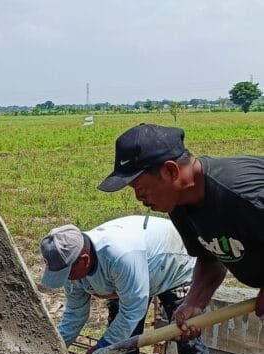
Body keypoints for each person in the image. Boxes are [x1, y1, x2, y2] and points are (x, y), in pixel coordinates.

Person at [39, 216, 218, 354]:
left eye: (67, 274)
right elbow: (75, 314)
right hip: (133, 277)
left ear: (85, 260)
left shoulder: (120, 255)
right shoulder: (73, 264)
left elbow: (133, 310)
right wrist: (53, 348)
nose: (67, 279)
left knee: (187, 337)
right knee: (122, 333)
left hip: (174, 264)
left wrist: (102, 347)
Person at [97, 123, 264, 335]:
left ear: (170, 170)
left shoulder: (244, 195)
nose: (138, 197)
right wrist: (194, 302)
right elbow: (209, 257)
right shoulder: (179, 202)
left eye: (139, 187)